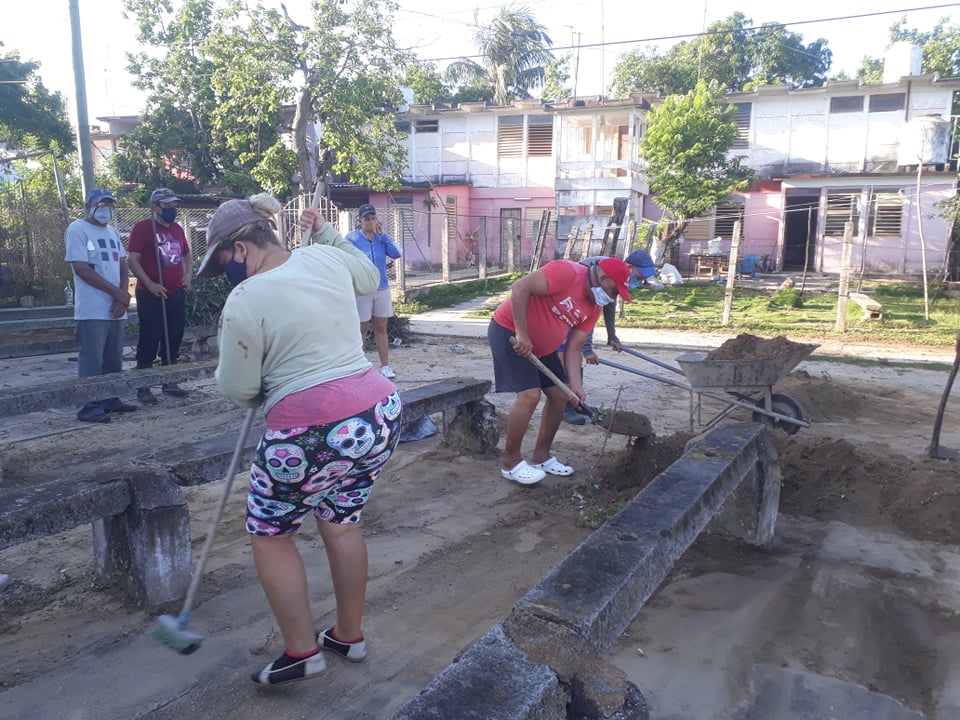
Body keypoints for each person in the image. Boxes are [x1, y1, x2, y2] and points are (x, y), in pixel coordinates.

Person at [196, 193, 402, 687]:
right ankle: (348, 635)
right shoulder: (323, 256)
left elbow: (239, 389)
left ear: (241, 248)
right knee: (342, 524)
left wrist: (264, 381)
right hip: (376, 413)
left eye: (224, 259)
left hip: (310, 433)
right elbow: (370, 277)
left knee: (270, 534)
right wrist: (327, 235)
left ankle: (302, 651)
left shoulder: (246, 298)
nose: (226, 270)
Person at [487, 257, 633, 485]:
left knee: (561, 396)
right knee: (529, 395)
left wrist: (576, 386)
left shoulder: (594, 307)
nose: (612, 298)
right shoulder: (566, 273)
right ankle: (511, 463)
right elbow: (520, 288)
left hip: (543, 347)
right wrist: (523, 334)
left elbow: (574, 348)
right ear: (603, 278)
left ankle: (541, 456)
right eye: (614, 291)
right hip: (510, 333)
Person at [562, 249, 661, 425]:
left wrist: (612, 336)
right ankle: (566, 407)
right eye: (638, 277)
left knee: (573, 359)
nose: (639, 282)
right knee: (567, 357)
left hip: (581, 311)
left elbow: (608, 305)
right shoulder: (603, 271)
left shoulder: (617, 276)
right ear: (629, 267)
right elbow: (589, 314)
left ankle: (576, 403)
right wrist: (587, 350)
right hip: (569, 308)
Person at [64, 188, 137, 423]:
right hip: (92, 308)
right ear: (89, 207)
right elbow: (81, 268)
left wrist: (122, 296)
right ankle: (89, 406)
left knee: (114, 358)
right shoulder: (77, 230)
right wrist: (116, 292)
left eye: (109, 205)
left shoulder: (113, 232)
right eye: (101, 204)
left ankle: (111, 399)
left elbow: (122, 265)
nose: (105, 209)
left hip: (116, 307)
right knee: (91, 360)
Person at [126, 188, 192, 404]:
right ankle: (143, 385)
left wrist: (188, 275)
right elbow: (132, 259)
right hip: (151, 293)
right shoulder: (142, 228)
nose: (172, 210)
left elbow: (186, 254)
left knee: (174, 336)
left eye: (175, 206)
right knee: (149, 337)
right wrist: (149, 283)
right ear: (156, 207)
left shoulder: (177, 229)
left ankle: (169, 381)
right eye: (168, 206)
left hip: (175, 291)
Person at [345, 204, 402, 379]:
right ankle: (360, 367)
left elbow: (396, 253)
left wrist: (383, 236)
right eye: (366, 219)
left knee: (381, 327)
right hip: (362, 289)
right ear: (360, 221)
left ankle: (385, 366)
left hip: (382, 288)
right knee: (361, 327)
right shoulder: (352, 238)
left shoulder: (381, 238)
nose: (370, 222)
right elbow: (345, 258)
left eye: (373, 218)